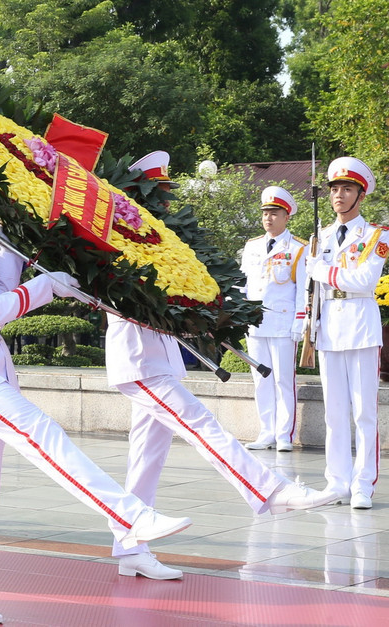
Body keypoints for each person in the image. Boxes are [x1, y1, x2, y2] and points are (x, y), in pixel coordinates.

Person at [0, 136, 192, 625]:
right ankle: (129, 516)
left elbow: (0, 291)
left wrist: (20, 250)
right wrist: (45, 286)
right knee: (45, 435)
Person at [105, 155, 331, 581]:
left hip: (159, 359)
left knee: (146, 457)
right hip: (138, 360)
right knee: (200, 423)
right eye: (161, 195)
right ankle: (270, 489)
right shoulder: (122, 240)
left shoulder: (158, 237)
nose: (168, 202)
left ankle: (129, 545)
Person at [305, 157, 389, 510]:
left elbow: (365, 280)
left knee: (363, 412)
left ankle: (363, 484)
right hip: (329, 330)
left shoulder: (377, 235)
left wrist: (323, 271)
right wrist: (307, 324)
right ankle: (336, 481)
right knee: (334, 412)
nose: (339, 195)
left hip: (360, 326)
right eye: (335, 189)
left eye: (347, 189)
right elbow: (310, 290)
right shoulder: (320, 236)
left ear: (360, 194)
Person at [240, 186, 307, 451]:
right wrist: (237, 315)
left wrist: (300, 320)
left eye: (275, 213)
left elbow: (303, 288)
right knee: (261, 380)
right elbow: (243, 284)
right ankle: (266, 431)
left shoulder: (298, 248)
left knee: (282, 380)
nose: (269, 218)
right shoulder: (252, 246)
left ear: (286, 216)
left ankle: (283, 436)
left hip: (283, 322)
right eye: (265, 213)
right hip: (255, 323)